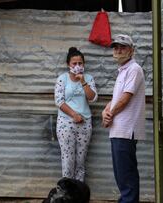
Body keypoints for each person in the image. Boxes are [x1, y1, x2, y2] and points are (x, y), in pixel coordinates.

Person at [101, 34, 145, 203]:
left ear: (131, 51)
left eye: (123, 47)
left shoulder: (134, 69)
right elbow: (116, 98)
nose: (118, 50)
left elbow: (126, 98)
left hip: (126, 131)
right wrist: (105, 111)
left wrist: (109, 115)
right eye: (116, 47)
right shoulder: (123, 71)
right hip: (118, 130)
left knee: (126, 175)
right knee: (121, 174)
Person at [54, 47, 98, 182]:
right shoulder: (62, 79)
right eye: (74, 63)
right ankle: (67, 194)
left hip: (85, 124)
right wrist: (74, 115)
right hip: (65, 123)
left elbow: (92, 98)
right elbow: (59, 101)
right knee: (68, 160)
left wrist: (82, 81)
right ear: (69, 65)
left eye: (80, 63)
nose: (77, 66)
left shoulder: (88, 79)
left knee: (80, 161)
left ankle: (79, 193)